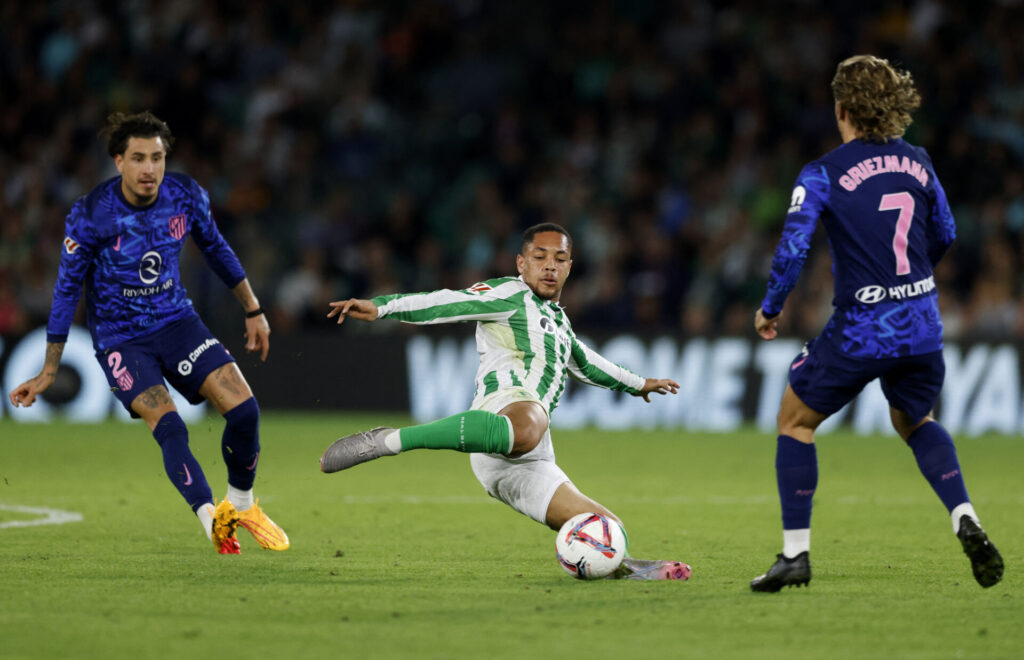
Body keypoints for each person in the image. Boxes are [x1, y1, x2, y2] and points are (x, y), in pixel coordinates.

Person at [750, 56, 1003, 591]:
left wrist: (772, 307)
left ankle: (795, 556)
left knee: (795, 420)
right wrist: (908, 279)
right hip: (922, 323)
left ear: (841, 108)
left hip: (863, 326)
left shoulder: (823, 171)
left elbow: (794, 248)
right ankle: (965, 516)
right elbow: (947, 232)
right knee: (916, 420)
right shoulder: (918, 161)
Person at [320, 222, 691, 580]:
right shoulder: (508, 295)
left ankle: (619, 566)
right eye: (539, 256)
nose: (549, 265)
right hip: (503, 411)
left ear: (570, 267)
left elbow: (587, 362)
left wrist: (639, 383)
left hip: (524, 460)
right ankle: (390, 440)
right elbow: (449, 302)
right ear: (521, 263)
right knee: (530, 422)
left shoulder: (559, 324)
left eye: (559, 259)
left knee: (608, 528)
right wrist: (383, 307)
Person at [8, 111, 288, 555]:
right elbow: (65, 290)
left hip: (177, 322)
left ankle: (242, 504)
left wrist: (253, 308)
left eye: (157, 158)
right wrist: (48, 369)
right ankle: (209, 518)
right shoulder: (91, 215)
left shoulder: (184, 196)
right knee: (171, 425)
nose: (149, 169)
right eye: (138, 158)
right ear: (118, 161)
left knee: (245, 411)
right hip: (122, 339)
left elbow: (215, 247)